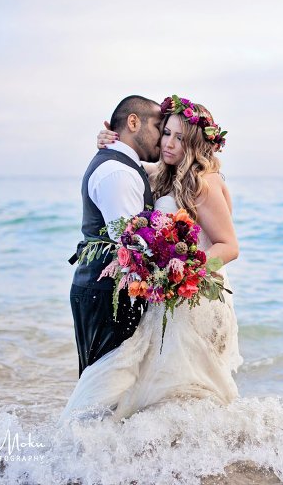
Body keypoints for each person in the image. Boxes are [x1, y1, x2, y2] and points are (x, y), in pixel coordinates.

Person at [60, 95, 242, 423]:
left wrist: (186, 274)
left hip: (196, 298)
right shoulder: (166, 174)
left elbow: (229, 247)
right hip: (171, 298)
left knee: (194, 387)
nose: (167, 143)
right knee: (155, 386)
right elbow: (124, 159)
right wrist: (108, 140)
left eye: (179, 137)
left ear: (196, 143)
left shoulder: (204, 182)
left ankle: (215, 444)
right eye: (165, 132)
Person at [68, 95, 163, 378]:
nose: (162, 138)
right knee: (105, 385)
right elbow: (132, 243)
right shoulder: (117, 172)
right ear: (133, 122)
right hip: (106, 293)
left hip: (110, 291)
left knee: (120, 383)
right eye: (159, 128)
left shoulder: (126, 166)